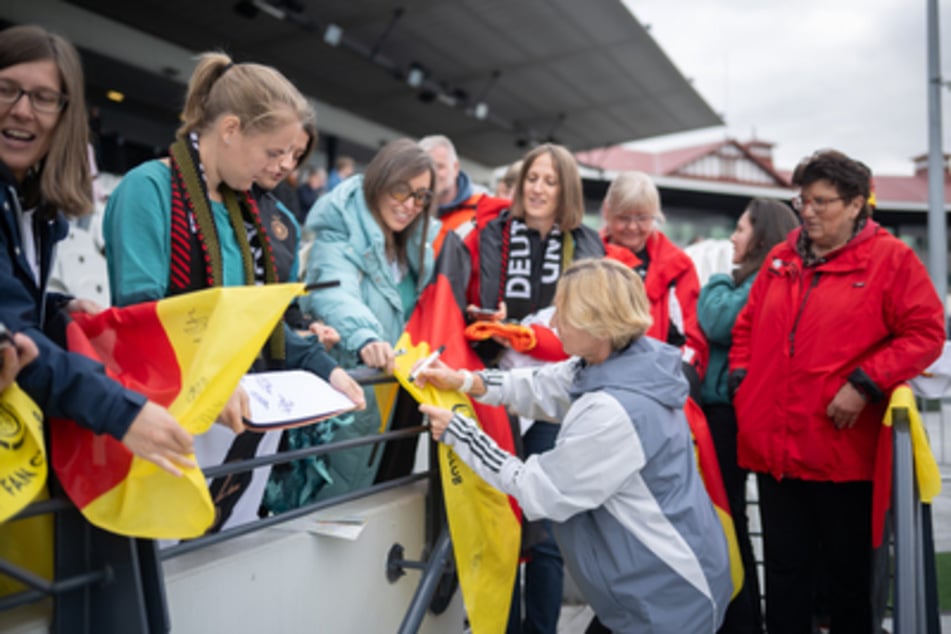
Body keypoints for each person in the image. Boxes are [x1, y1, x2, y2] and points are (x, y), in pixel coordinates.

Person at [103, 52, 363, 529]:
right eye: (274, 152)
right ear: (229, 130)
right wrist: (210, 381)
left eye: (292, 155)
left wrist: (326, 370)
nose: (285, 167)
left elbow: (269, 323)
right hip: (172, 423)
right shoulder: (149, 189)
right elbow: (140, 316)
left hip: (242, 429)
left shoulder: (254, 214)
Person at [417, 258, 732, 632]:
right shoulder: (623, 361)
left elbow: (539, 490)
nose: (551, 324)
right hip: (656, 583)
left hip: (665, 597)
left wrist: (461, 432)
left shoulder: (616, 412)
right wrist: (465, 381)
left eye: (563, 314)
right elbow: (543, 385)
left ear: (598, 324)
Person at [729, 150, 946, 634]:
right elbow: (746, 328)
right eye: (803, 200)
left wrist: (864, 384)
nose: (807, 211)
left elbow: (926, 333)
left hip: (841, 454)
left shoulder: (891, 259)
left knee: (849, 583)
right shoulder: (782, 257)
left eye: (821, 201)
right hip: (774, 450)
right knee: (784, 577)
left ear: (854, 205)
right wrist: (744, 384)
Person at [0, 24, 195, 476]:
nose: (22, 110)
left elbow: (12, 308)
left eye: (43, 97)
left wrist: (55, 308)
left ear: (65, 114)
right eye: (6, 90)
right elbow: (12, 335)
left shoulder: (32, 202)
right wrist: (121, 412)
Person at [475, 143, 604, 634]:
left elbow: (590, 312)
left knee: (547, 525)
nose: (538, 188)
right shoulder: (496, 233)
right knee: (503, 517)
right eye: (533, 178)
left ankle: (542, 629)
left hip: (559, 393)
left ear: (565, 188)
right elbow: (488, 298)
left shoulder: (587, 241)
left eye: (550, 181)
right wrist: (497, 321)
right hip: (501, 387)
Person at [286, 138, 438, 502]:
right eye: (401, 191)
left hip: (389, 407)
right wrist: (366, 336)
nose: (410, 206)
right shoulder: (337, 235)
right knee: (324, 514)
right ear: (379, 181)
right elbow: (333, 292)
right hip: (343, 402)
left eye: (421, 196)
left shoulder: (413, 250)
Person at [697, 198, 799, 634]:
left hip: (734, 413)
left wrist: (716, 276)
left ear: (761, 236)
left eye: (741, 229)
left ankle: (742, 623)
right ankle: (746, 620)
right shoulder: (759, 278)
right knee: (737, 523)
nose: (733, 238)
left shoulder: (756, 280)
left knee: (732, 523)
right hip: (739, 412)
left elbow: (717, 320)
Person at [601, 171, 708, 390]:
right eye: (623, 217)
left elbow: (692, 338)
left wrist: (670, 380)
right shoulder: (587, 256)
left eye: (642, 218)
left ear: (655, 216)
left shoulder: (678, 267)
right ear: (606, 211)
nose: (632, 227)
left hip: (658, 383)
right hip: (598, 379)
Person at [419, 134, 509, 257]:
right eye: (426, 167)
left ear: (455, 168)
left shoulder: (483, 209)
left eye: (440, 166)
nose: (433, 173)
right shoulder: (412, 209)